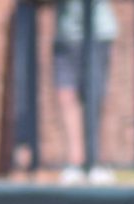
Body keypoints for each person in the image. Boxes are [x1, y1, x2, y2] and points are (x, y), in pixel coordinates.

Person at [51, 0, 120, 183]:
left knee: (96, 98)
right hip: (66, 35)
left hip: (98, 33)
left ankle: (99, 162)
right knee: (66, 97)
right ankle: (75, 162)